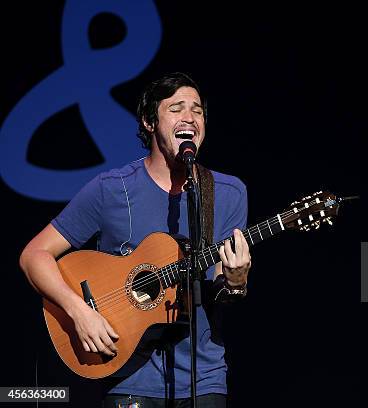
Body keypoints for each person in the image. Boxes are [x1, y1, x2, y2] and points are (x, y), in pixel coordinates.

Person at [19, 72, 250, 407]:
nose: (189, 117)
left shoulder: (227, 193)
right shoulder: (111, 188)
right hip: (129, 377)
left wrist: (236, 282)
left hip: (205, 379)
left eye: (197, 110)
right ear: (148, 121)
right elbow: (34, 255)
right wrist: (79, 311)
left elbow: (221, 289)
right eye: (177, 108)